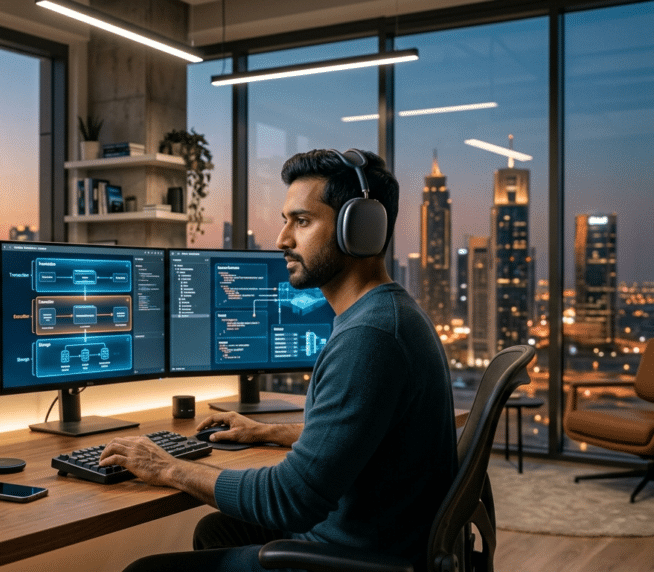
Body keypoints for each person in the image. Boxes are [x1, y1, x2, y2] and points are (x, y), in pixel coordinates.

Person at [100, 148, 458, 572]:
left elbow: (290, 500)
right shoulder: (386, 314)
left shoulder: (370, 337)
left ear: (358, 230)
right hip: (373, 535)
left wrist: (166, 468)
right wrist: (266, 431)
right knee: (218, 531)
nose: (282, 239)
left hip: (360, 557)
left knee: (145, 571)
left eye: (302, 222)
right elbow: (362, 435)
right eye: (286, 220)